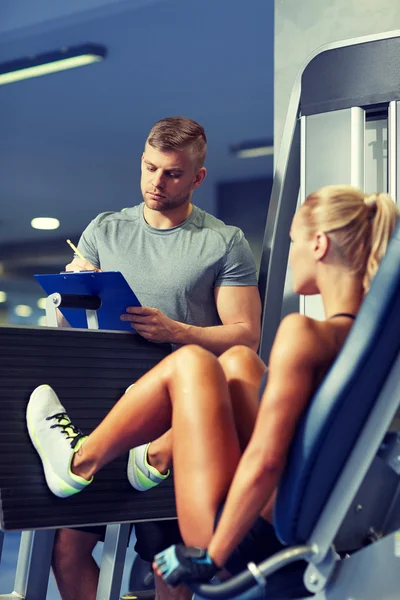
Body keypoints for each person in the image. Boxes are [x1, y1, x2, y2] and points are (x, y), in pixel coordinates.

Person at [27, 185, 398, 593]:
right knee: (236, 362)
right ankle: (150, 454)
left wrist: (210, 556)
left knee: (191, 362)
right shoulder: (369, 346)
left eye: (293, 241)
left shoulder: (304, 334)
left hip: (245, 538)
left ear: (319, 244)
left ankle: (80, 461)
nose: (291, 255)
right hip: (299, 519)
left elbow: (267, 460)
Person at [53, 115, 262, 600]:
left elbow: (245, 338)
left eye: (171, 173)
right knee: (67, 549)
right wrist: (70, 292)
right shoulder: (104, 230)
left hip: (175, 421)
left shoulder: (223, 242)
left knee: (165, 564)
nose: (156, 182)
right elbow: (67, 327)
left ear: (197, 177)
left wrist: (176, 330)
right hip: (107, 408)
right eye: (150, 168)